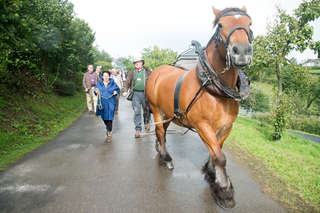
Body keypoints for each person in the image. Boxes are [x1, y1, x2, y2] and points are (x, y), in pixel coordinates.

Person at [123, 57, 151, 138]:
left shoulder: (147, 71)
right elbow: (127, 81)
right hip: (135, 94)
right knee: (137, 111)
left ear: (142, 63)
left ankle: (146, 123)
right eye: (135, 62)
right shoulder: (132, 72)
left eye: (138, 62)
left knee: (146, 110)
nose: (136, 64)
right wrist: (125, 90)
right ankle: (138, 129)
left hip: (145, 94)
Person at [95, 71, 120, 142]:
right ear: (102, 77)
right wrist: (96, 91)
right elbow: (96, 90)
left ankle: (109, 133)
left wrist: (116, 92)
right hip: (102, 103)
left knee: (110, 117)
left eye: (107, 76)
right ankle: (108, 128)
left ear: (109, 76)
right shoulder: (99, 83)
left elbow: (117, 90)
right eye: (104, 76)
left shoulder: (113, 83)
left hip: (110, 102)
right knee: (104, 117)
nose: (106, 77)